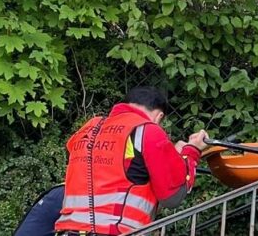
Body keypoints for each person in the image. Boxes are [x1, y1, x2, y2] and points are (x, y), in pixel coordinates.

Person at [55, 86, 210, 235]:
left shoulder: (88, 128)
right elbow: (172, 197)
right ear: (159, 116)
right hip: (115, 230)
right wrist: (190, 152)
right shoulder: (148, 130)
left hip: (67, 230)